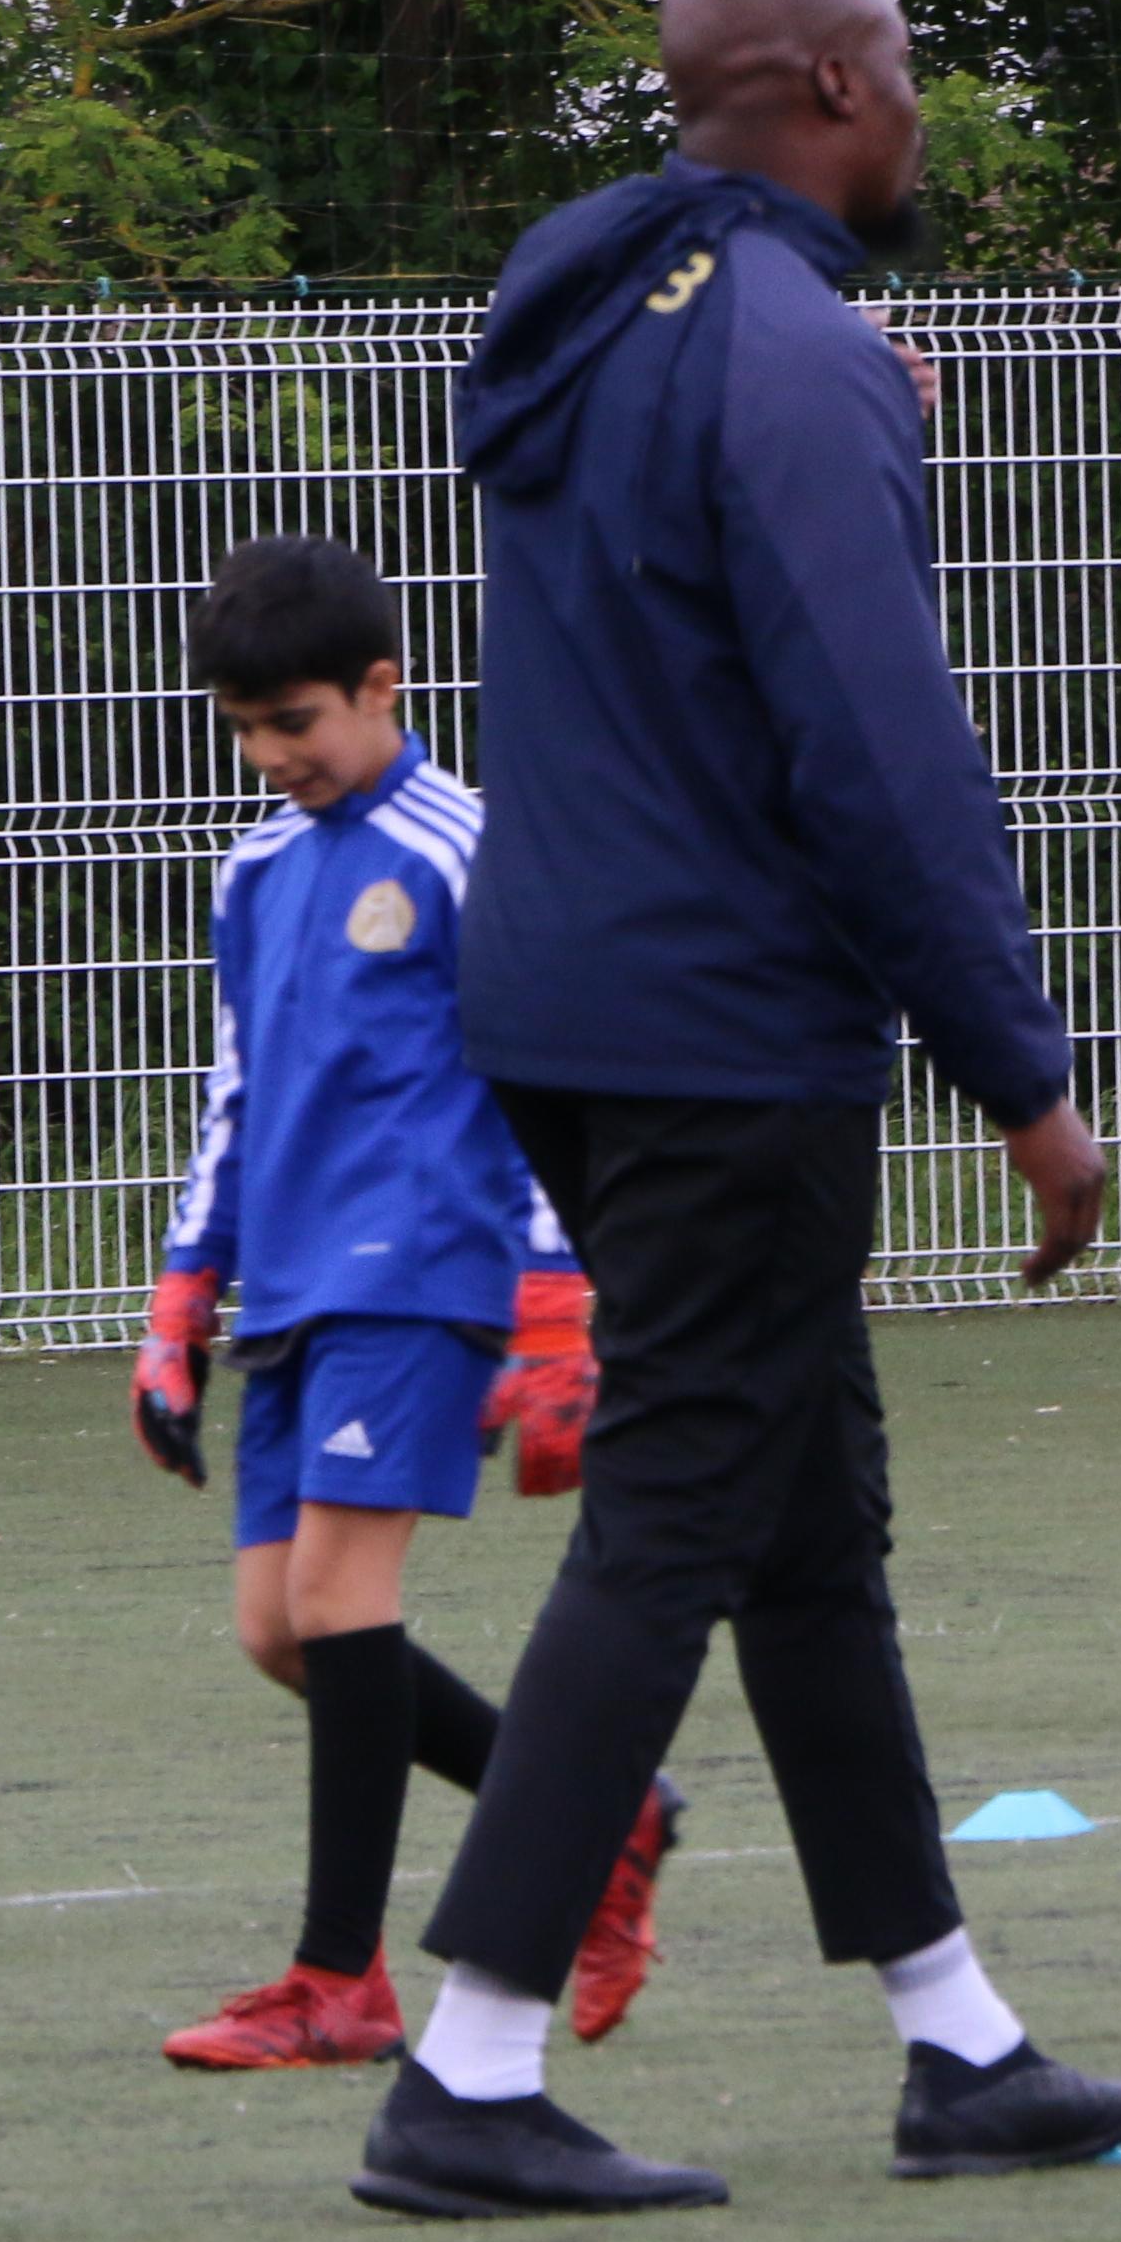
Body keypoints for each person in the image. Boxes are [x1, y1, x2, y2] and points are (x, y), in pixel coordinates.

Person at [348, 0, 1121, 2220]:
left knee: (806, 1527)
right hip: (723, 1030)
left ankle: (956, 2038)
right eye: (902, 70)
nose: (919, 110)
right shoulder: (795, 351)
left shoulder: (600, 311)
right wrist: (1021, 1066)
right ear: (822, 81)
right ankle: (471, 2072)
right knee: (685, 1518)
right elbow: (875, 746)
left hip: (563, 1001)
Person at [128, 534, 684, 2071]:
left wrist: (560, 1305)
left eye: (296, 721)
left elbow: (547, 1079)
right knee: (276, 1632)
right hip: (294, 1292)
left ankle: (339, 1983)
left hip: (426, 1276)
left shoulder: (465, 846)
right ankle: (604, 1817)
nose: (271, 755)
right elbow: (236, 1095)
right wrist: (184, 1297)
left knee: (336, 1603)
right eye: (243, 728)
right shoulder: (254, 870)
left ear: (385, 687)